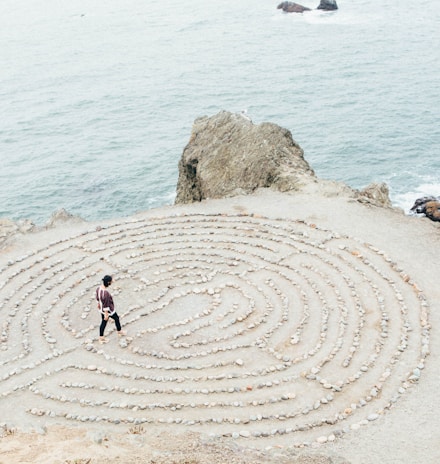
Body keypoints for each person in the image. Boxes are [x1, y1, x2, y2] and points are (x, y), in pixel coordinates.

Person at [96, 275, 125, 343]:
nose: (112, 282)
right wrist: (106, 314)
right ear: (108, 282)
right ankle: (119, 331)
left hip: (101, 309)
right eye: (111, 281)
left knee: (104, 322)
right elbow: (106, 304)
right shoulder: (105, 293)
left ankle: (102, 337)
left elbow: (97, 298)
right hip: (108, 311)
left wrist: (98, 304)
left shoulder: (98, 288)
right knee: (115, 318)